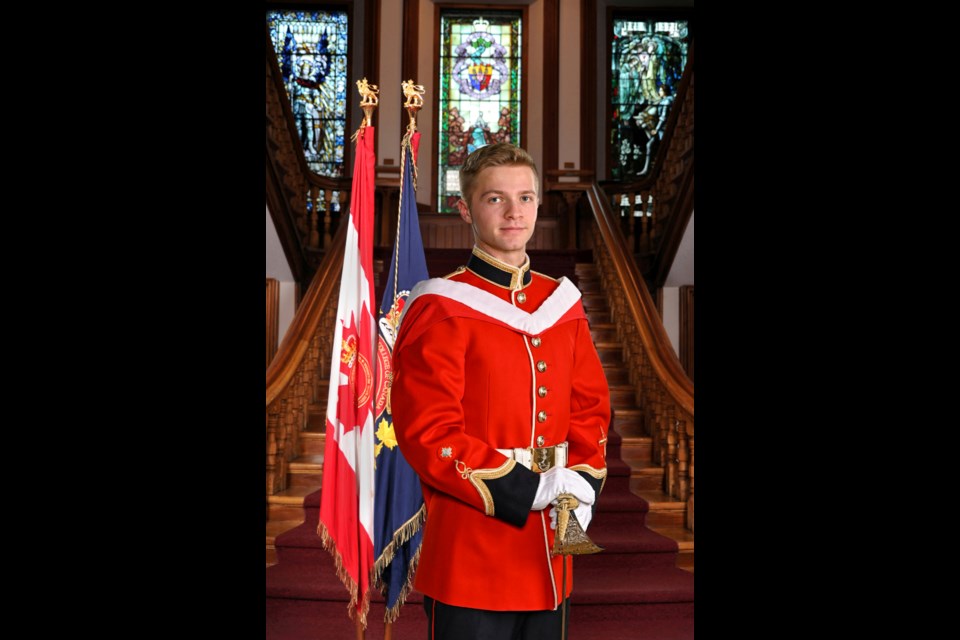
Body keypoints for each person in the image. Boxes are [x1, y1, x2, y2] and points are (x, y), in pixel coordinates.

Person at [391, 143, 611, 639]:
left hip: (553, 548)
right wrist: (527, 487)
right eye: (495, 199)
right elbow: (429, 433)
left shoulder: (562, 305)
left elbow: (591, 407)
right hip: (472, 548)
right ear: (465, 208)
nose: (515, 213)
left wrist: (580, 479)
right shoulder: (441, 307)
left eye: (526, 198)